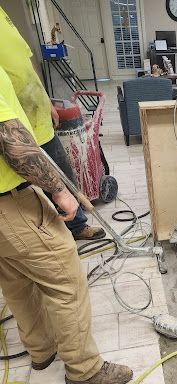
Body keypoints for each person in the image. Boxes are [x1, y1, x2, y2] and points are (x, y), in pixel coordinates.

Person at [0, 64, 132, 384]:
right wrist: (60, 190)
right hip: (10, 201)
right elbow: (10, 141)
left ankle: (41, 350)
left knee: (16, 279)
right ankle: (84, 368)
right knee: (66, 278)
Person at [0, 6, 105, 241]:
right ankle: (54, 238)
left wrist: (45, 99)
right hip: (14, 129)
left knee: (65, 176)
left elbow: (26, 63)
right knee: (39, 188)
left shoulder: (4, 15)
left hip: (39, 121)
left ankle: (77, 227)